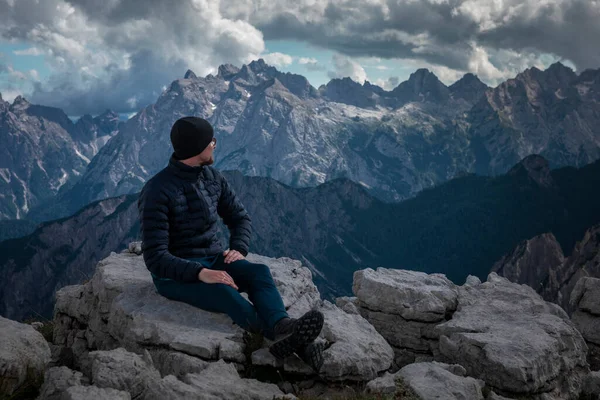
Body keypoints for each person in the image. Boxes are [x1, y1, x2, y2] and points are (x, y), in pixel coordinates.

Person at [137, 116, 324, 370]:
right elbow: (155, 258)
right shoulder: (157, 190)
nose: (215, 144)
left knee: (259, 272)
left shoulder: (213, 177)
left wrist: (238, 248)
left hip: (214, 257)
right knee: (223, 292)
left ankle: (282, 326)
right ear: (196, 148)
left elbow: (239, 217)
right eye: (210, 141)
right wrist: (201, 273)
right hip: (175, 275)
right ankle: (290, 340)